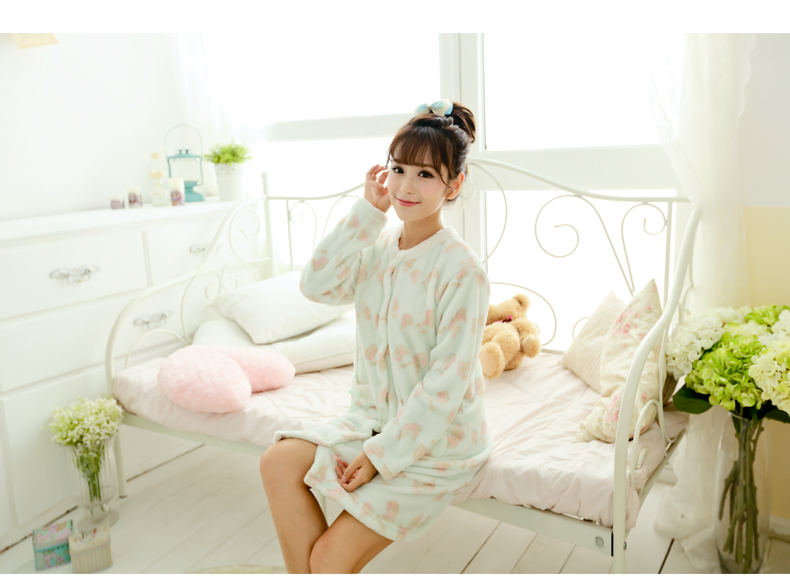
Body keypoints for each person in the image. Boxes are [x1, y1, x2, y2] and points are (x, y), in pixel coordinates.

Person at [259, 99, 492, 574]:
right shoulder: (378, 248)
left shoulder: (462, 270)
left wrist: (380, 456)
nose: (406, 186)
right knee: (277, 462)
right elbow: (316, 285)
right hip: (371, 421)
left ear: (454, 184)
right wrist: (367, 212)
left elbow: (444, 388)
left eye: (425, 175)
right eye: (399, 168)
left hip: (436, 443)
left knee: (327, 562)